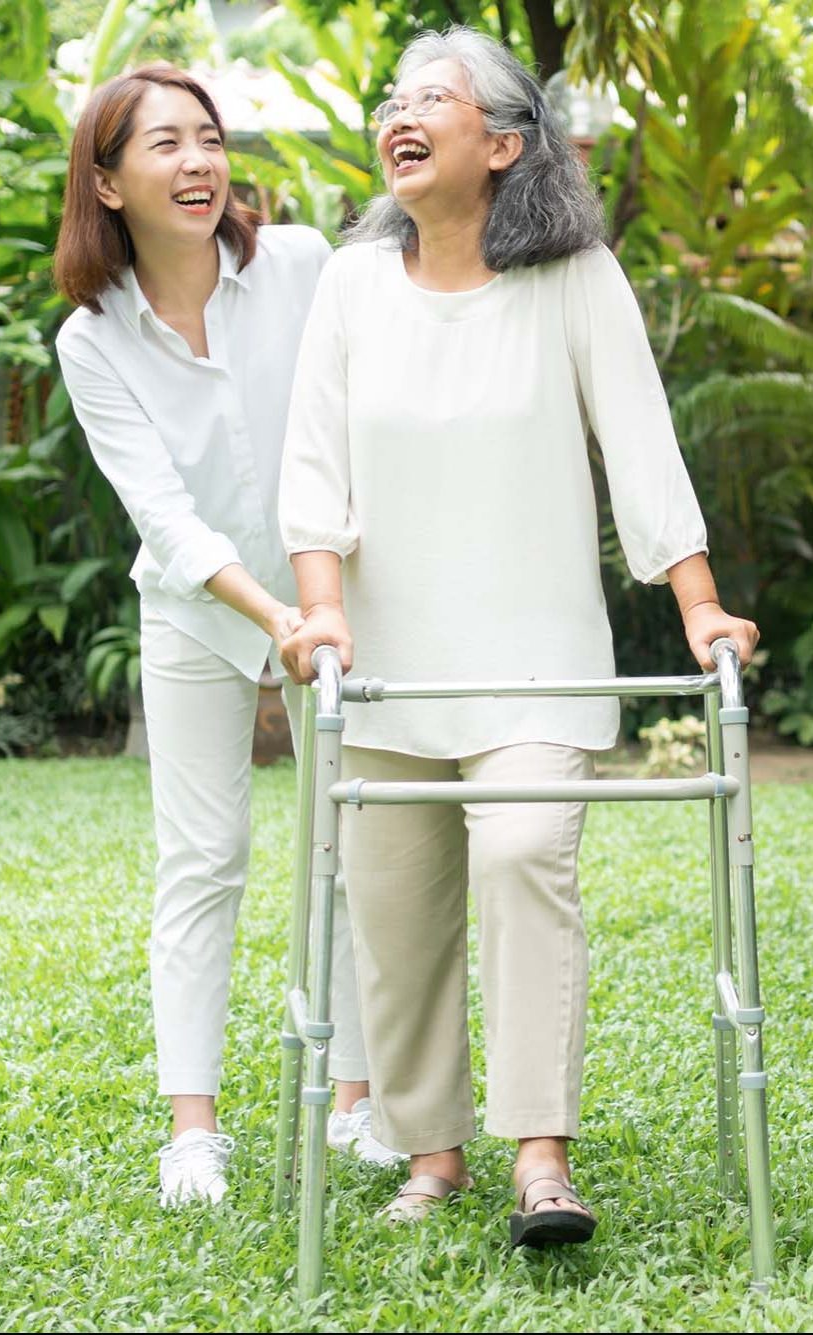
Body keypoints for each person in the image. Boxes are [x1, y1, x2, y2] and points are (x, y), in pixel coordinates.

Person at [278, 26, 759, 1242]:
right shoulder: (348, 285)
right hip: (385, 667)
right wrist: (320, 606)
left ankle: (539, 1155)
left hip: (535, 661)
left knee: (522, 855)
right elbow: (312, 468)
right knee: (393, 913)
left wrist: (699, 604)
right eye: (392, 97)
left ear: (499, 144)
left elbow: (642, 452)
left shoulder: (573, 276)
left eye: (429, 98)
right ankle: (430, 1155)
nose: (399, 112)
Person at [53, 64, 401, 1209]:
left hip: (338, 598)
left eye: (207, 138)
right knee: (201, 863)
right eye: (164, 145)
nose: (197, 161)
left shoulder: (300, 264)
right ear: (105, 183)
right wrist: (271, 619)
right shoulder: (91, 340)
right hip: (200, 611)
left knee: (351, 846)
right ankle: (192, 1129)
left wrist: (320, 608)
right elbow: (162, 512)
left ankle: (357, 1100)